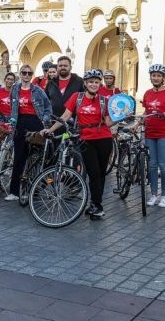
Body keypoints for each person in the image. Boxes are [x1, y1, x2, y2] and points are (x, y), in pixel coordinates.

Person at [42, 69, 114, 219]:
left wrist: (121, 116)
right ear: (85, 84)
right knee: (93, 173)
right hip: (86, 139)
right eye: (90, 82)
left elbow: (108, 122)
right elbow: (65, 115)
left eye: (96, 82)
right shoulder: (77, 97)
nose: (93, 84)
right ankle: (98, 206)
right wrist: (51, 129)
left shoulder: (104, 101)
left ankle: (95, 203)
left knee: (101, 173)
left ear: (99, 84)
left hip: (104, 139)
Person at [5, 64, 52, 202]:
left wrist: (44, 120)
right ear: (20, 74)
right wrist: (12, 122)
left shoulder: (38, 90)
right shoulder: (15, 88)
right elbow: (13, 107)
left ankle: (33, 190)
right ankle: (14, 191)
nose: (26, 75)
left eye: (29, 73)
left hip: (35, 123)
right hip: (20, 124)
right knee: (19, 157)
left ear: (31, 75)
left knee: (35, 158)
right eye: (24, 72)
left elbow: (48, 107)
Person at [142, 64, 165, 208]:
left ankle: (164, 195)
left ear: (163, 78)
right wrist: (137, 124)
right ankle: (153, 194)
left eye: (159, 75)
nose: (156, 78)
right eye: (154, 75)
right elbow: (147, 111)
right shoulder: (147, 93)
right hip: (150, 132)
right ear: (151, 77)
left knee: (163, 165)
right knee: (152, 165)